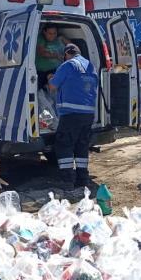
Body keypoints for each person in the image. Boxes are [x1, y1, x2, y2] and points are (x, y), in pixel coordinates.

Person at [49, 43, 99, 191]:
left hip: (71, 113)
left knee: (64, 144)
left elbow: (53, 86)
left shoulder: (67, 65)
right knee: (81, 145)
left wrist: (50, 78)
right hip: (88, 113)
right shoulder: (91, 66)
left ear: (66, 54)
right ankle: (83, 179)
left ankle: (67, 180)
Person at [36, 25, 69, 89]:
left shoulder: (60, 39)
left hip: (57, 70)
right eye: (50, 33)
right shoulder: (41, 38)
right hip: (42, 72)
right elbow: (42, 53)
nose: (52, 36)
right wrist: (57, 56)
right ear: (44, 32)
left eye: (54, 33)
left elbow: (72, 47)